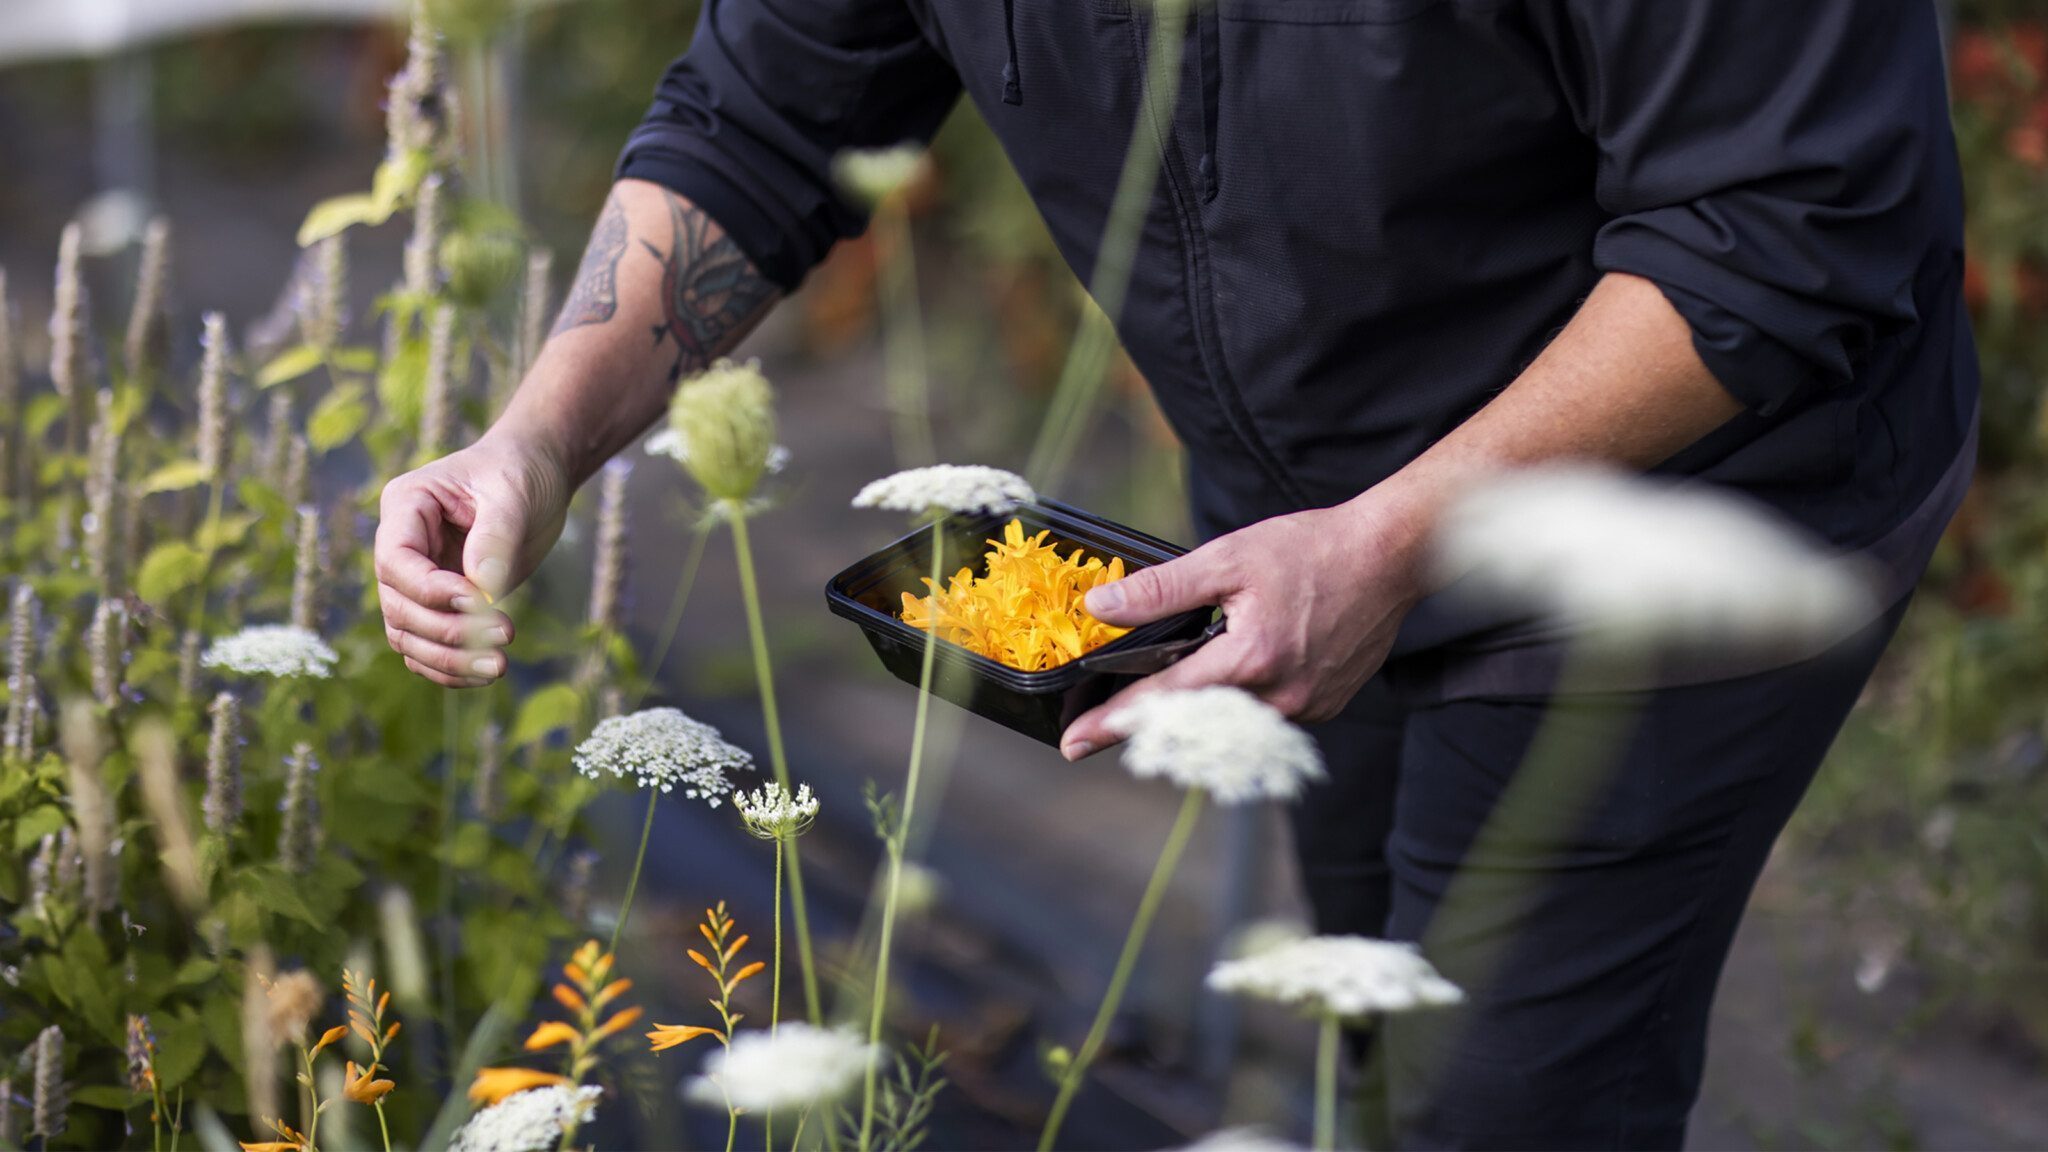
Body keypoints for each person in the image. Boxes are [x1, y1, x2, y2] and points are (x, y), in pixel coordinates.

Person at [373, 1, 1977, 1146]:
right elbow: (760, 113)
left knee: (1505, 1091)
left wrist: (1388, 545)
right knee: (1383, 1005)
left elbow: (1780, 227)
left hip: (1678, 519)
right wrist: (537, 436)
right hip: (1303, 533)